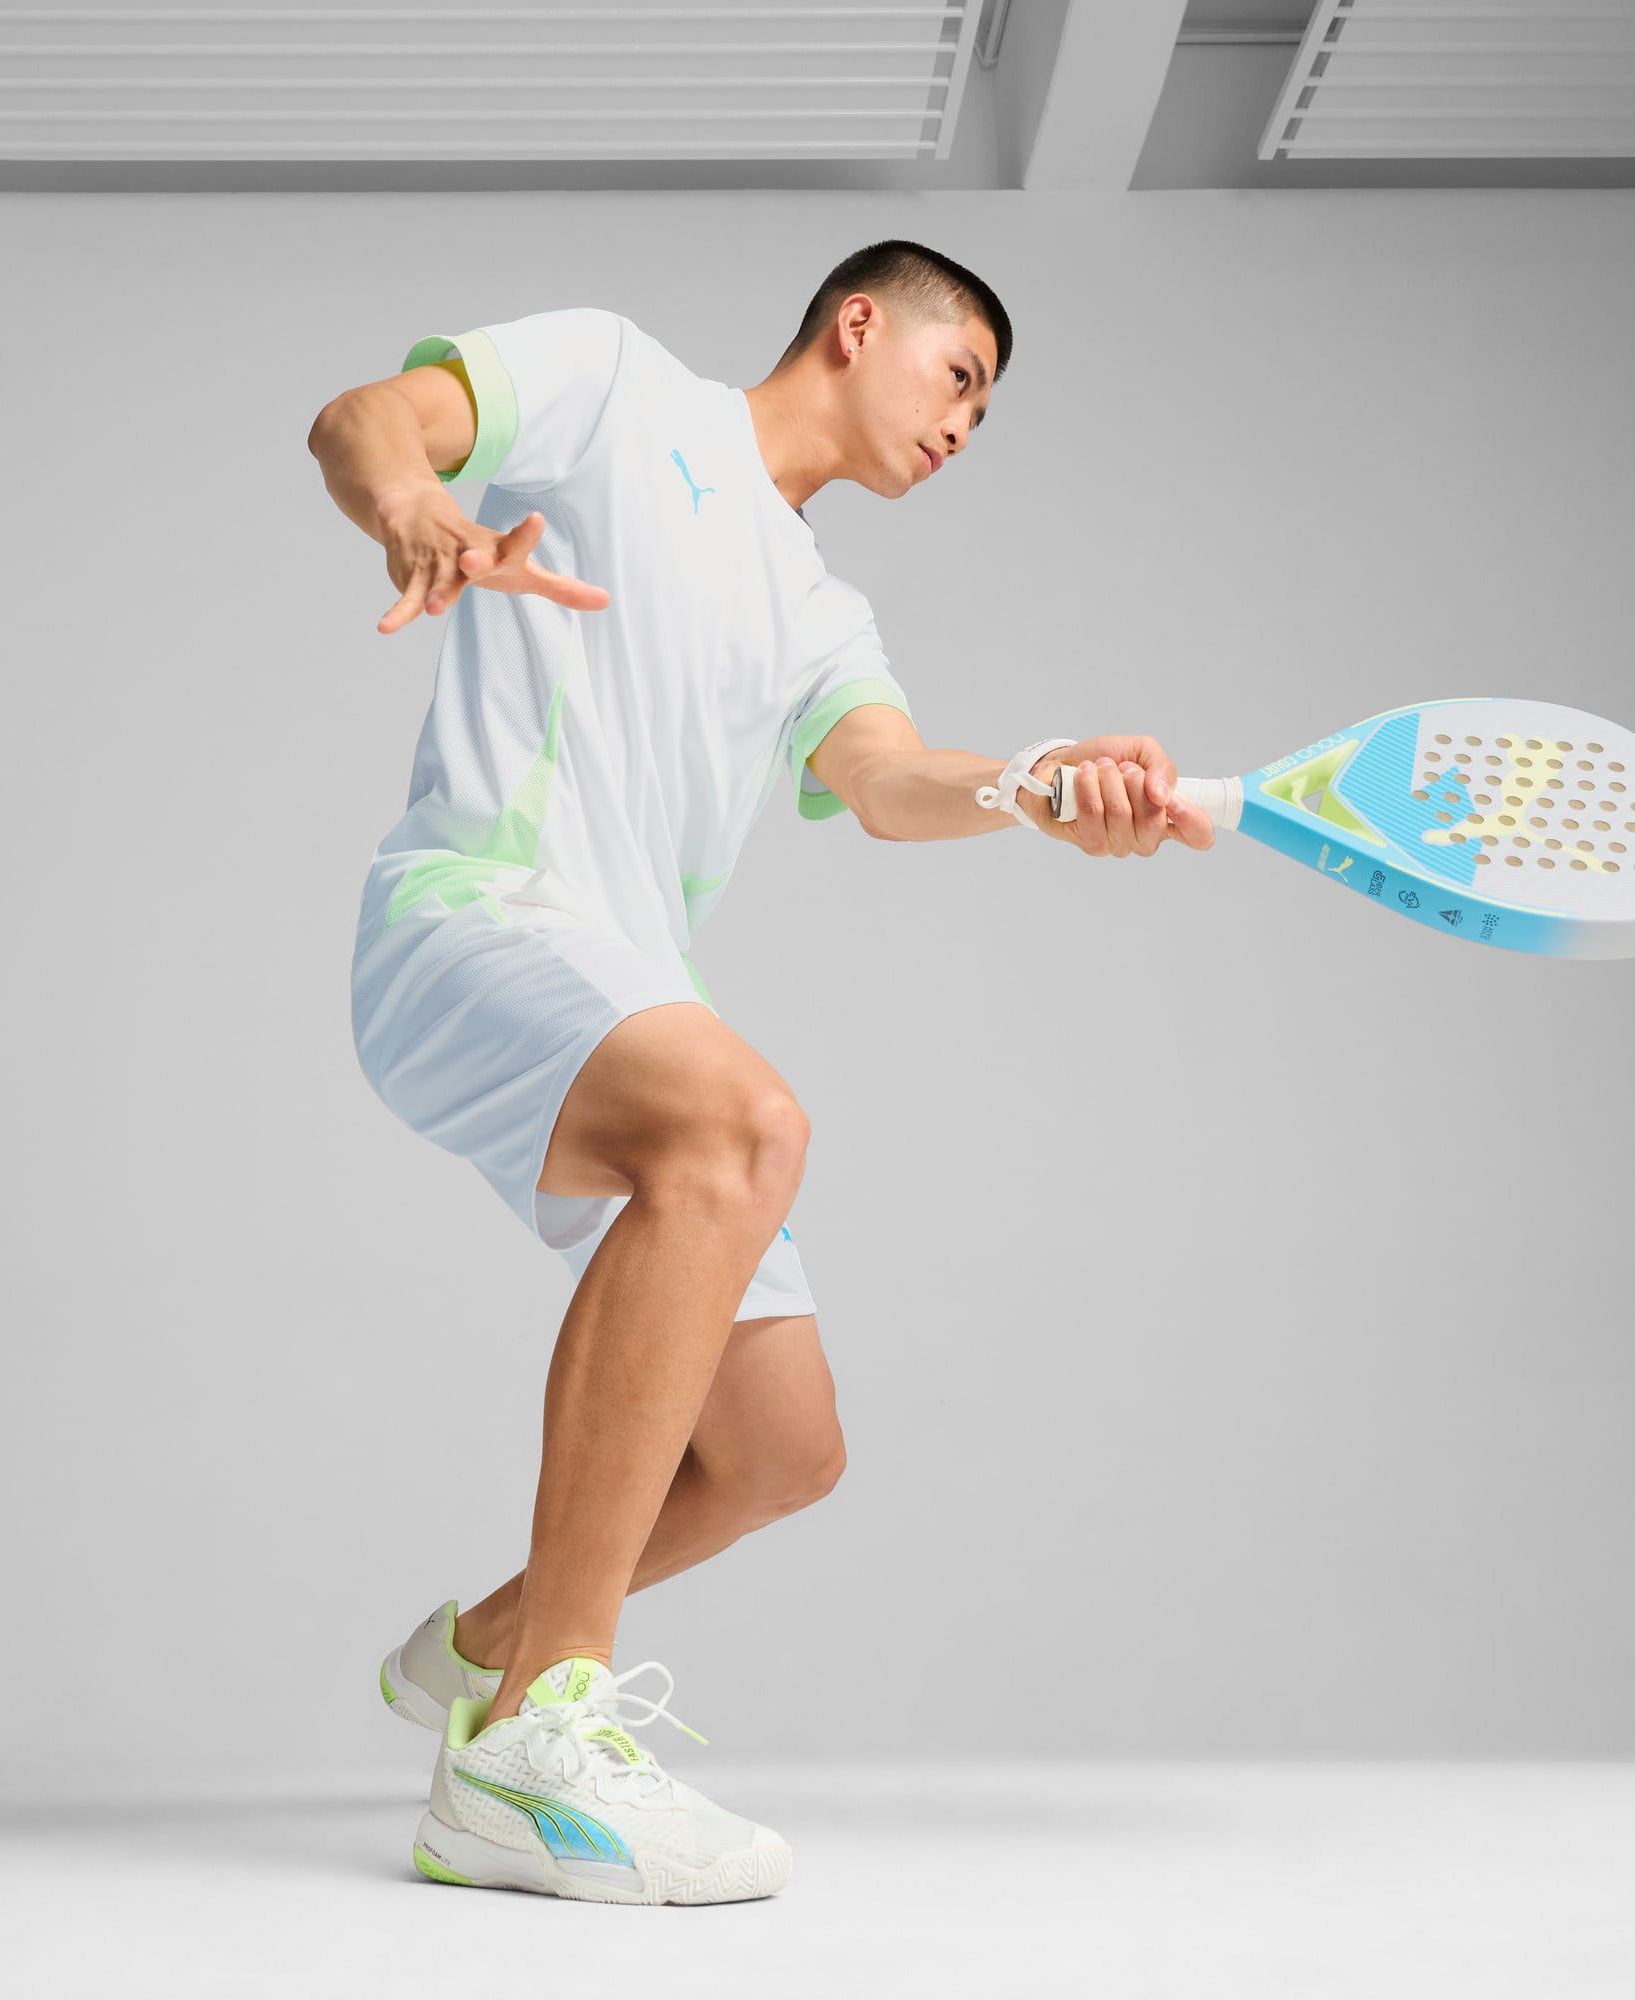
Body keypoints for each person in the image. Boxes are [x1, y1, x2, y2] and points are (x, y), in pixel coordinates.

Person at [306, 238, 1214, 1906]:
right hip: (476, 916)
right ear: (860, 325)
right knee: (745, 1124)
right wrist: (414, 506)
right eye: (961, 379)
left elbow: (887, 781)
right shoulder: (616, 384)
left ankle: (477, 1650)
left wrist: (1033, 784)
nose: (965, 427)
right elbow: (366, 417)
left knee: (780, 1453)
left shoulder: (820, 607)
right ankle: (528, 1743)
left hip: (623, 989)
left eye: (986, 414)